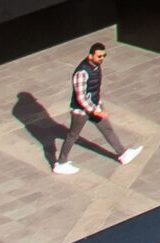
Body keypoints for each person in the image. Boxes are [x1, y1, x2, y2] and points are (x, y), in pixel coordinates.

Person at [54, 41, 137, 173]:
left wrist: (97, 105)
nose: (102, 59)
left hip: (94, 105)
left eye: (104, 56)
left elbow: (93, 88)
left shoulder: (95, 67)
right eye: (99, 56)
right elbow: (80, 97)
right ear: (90, 56)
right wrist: (96, 111)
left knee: (107, 129)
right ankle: (60, 163)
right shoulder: (81, 72)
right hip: (80, 112)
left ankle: (123, 154)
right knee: (73, 136)